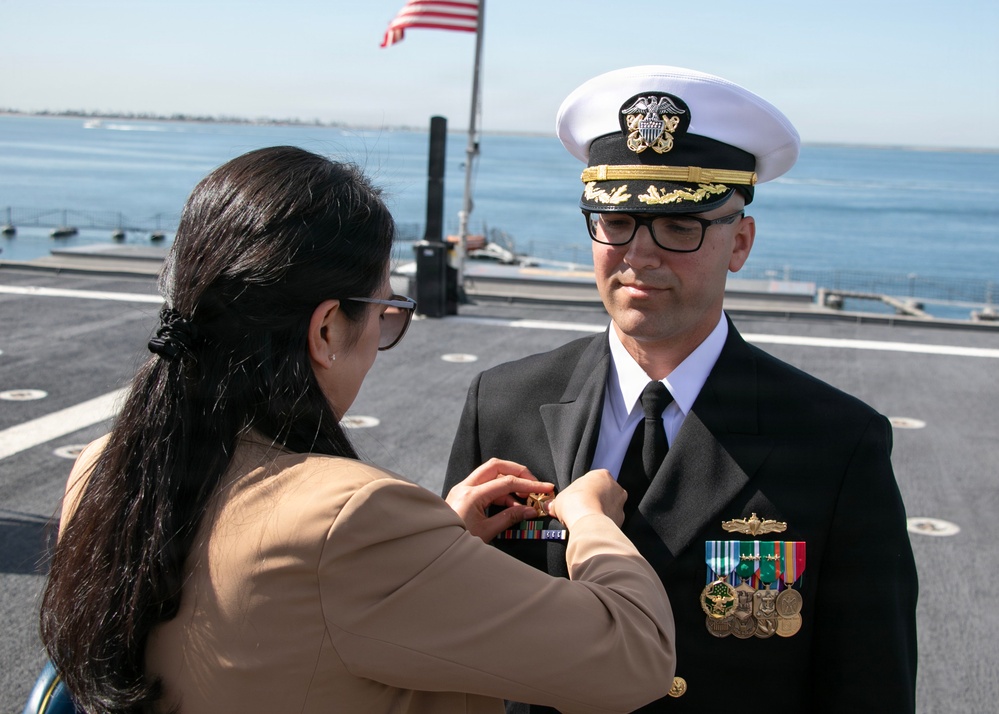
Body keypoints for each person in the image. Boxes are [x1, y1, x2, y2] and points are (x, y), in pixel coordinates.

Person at [39, 146, 677, 714]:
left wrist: (436, 544)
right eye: (386, 312)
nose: (382, 336)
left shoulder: (104, 466)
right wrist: (591, 519)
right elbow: (636, 656)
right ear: (325, 330)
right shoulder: (352, 520)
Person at [444, 66, 918, 713]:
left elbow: (868, 684)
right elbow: (452, 646)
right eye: (615, 223)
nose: (639, 254)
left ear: (739, 242)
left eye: (679, 224)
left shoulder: (835, 443)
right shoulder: (502, 405)